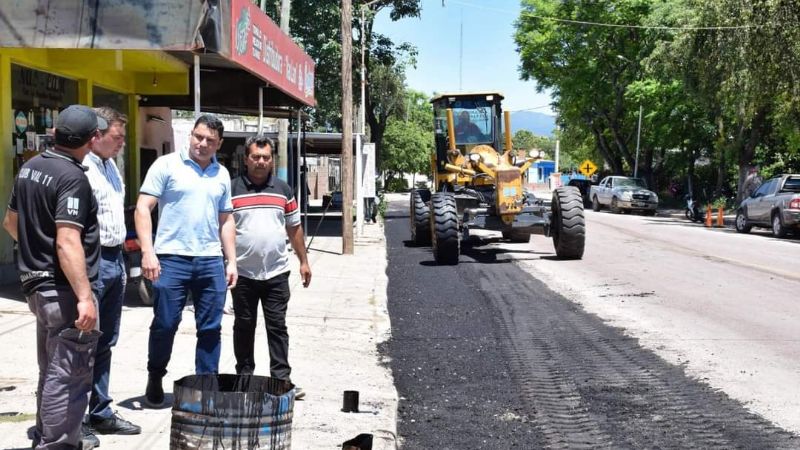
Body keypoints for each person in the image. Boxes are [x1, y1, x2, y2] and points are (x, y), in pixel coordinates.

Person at [3, 104, 104, 449]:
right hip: (62, 290)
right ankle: (57, 444)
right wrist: (84, 297)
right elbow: (67, 240)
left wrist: (37, 251)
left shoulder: (31, 168)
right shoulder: (72, 177)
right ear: (93, 139)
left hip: (37, 286)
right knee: (69, 376)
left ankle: (46, 436)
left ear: (56, 133)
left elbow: (11, 223)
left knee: (52, 371)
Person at [135, 114, 237, 408]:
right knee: (165, 323)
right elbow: (143, 208)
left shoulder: (221, 174)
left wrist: (231, 261)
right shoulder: (166, 165)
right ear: (191, 134)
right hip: (171, 259)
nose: (202, 144)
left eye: (210, 140)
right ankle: (155, 375)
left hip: (210, 260)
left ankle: (206, 387)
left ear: (219, 144)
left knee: (210, 328)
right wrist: (148, 251)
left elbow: (226, 220)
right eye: (198, 136)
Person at [230, 136, 311, 397]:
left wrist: (304, 261)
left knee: (277, 327)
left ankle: (281, 381)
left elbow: (294, 227)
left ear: (272, 160)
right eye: (256, 157)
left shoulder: (283, 190)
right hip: (243, 274)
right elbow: (223, 228)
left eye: (266, 157)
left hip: (276, 272)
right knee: (244, 327)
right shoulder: (231, 189)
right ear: (246, 159)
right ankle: (244, 380)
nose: (261, 162)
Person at [82, 107, 141, 435]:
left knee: (105, 340)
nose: (122, 143)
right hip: (92, 260)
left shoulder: (110, 166)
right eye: (117, 137)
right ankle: (76, 418)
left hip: (115, 259)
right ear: (97, 136)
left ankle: (100, 411)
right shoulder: (83, 168)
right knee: (84, 341)